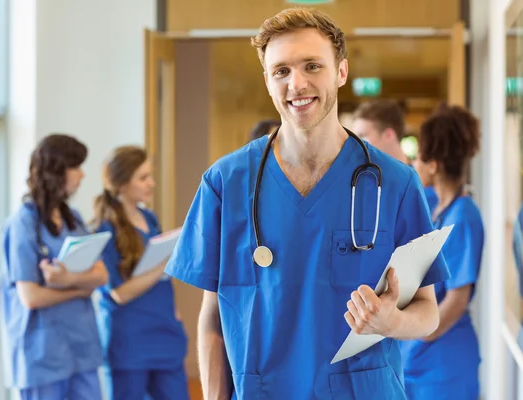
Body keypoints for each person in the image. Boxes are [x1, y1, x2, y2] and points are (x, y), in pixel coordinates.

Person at [164, 8, 450, 400]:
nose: (296, 84)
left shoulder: (395, 183)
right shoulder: (225, 184)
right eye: (281, 71)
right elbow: (213, 316)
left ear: (341, 72)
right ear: (267, 80)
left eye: (312, 66)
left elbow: (427, 311)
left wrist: (392, 320)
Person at [0, 134, 108, 400]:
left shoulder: (74, 220)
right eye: (76, 167)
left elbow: (102, 275)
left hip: (81, 348)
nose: (82, 175)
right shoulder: (22, 225)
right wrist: (78, 288)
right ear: (57, 171)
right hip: (42, 355)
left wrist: (66, 278)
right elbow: (31, 297)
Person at [93, 146, 189, 400]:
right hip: (130, 342)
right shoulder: (105, 230)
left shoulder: (149, 217)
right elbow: (120, 294)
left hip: (165, 332)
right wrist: (163, 266)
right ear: (122, 184)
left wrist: (175, 313)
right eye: (143, 178)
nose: (152, 183)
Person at [403, 104, 484, 399]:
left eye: (420, 157)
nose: (415, 163)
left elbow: (456, 301)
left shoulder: (463, 217)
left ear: (434, 164)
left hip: (444, 366)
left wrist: (415, 330)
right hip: (418, 359)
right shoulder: (436, 209)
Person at [352, 99, 438, 211]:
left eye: (362, 136)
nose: (356, 143)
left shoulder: (424, 186)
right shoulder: (362, 186)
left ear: (388, 135)